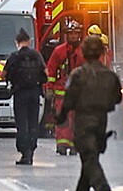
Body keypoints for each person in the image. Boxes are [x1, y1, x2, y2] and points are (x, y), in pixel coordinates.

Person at [55, 36, 122, 191]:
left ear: (84, 53)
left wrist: (61, 117)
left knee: (90, 159)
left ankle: (102, 187)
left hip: (83, 121)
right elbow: (118, 98)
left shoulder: (78, 75)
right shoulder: (110, 76)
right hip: (101, 121)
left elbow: (69, 100)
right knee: (90, 157)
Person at [2, 28, 47, 165]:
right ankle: (31, 152)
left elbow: (3, 74)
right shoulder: (37, 55)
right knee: (33, 123)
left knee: (22, 124)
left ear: (17, 42)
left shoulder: (14, 56)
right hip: (34, 93)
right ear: (29, 41)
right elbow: (46, 73)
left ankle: (24, 152)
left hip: (20, 93)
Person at [45, 20, 84, 155]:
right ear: (67, 35)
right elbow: (51, 71)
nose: (73, 36)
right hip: (61, 93)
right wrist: (50, 89)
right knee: (62, 120)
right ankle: (62, 144)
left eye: (76, 33)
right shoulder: (59, 51)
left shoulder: (84, 52)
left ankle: (75, 145)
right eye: (71, 33)